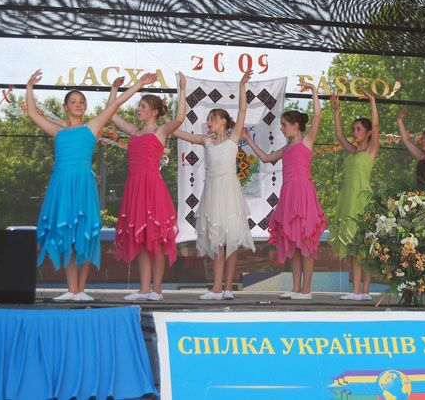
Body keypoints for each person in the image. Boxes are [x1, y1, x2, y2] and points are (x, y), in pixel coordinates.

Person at [26, 69, 157, 301]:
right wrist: (29, 88)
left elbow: (116, 104)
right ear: (65, 107)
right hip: (62, 186)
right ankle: (72, 290)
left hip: (83, 185)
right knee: (66, 234)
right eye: (73, 101)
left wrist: (139, 83)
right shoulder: (58, 131)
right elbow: (33, 114)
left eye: (82, 101)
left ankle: (81, 290)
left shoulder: (92, 126)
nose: (78, 104)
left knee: (84, 234)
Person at [173, 71, 255, 301]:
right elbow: (177, 130)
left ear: (223, 122)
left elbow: (242, 110)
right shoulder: (206, 140)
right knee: (216, 240)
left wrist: (241, 85)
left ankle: (227, 288)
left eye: (212, 119)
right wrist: (181, 92)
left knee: (231, 241)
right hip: (212, 191)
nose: (208, 122)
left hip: (229, 192)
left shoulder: (233, 137)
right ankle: (217, 288)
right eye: (208, 119)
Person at [106, 72, 187, 301]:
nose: (138, 109)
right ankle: (144, 289)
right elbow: (111, 113)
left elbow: (180, 118)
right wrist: (114, 89)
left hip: (152, 188)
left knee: (156, 240)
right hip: (135, 188)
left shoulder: (160, 132)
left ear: (154, 111)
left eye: (142, 106)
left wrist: (182, 89)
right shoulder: (135, 131)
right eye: (139, 106)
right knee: (141, 240)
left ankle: (157, 290)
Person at [242, 82, 326, 300]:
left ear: (296, 126)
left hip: (303, 194)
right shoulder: (286, 148)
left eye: (284, 125)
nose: (281, 128)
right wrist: (249, 140)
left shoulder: (306, 142)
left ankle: (306, 290)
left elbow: (317, 116)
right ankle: (296, 288)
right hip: (288, 195)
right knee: (294, 244)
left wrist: (314, 91)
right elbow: (265, 158)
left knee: (305, 243)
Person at [328, 90, 379, 301]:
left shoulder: (371, 150)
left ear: (368, 132)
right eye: (354, 129)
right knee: (354, 246)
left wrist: (372, 101)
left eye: (359, 129)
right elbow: (339, 135)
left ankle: (361, 291)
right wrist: (336, 110)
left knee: (361, 246)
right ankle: (362, 291)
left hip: (362, 200)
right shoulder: (352, 150)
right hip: (348, 200)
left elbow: (376, 126)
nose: (354, 132)